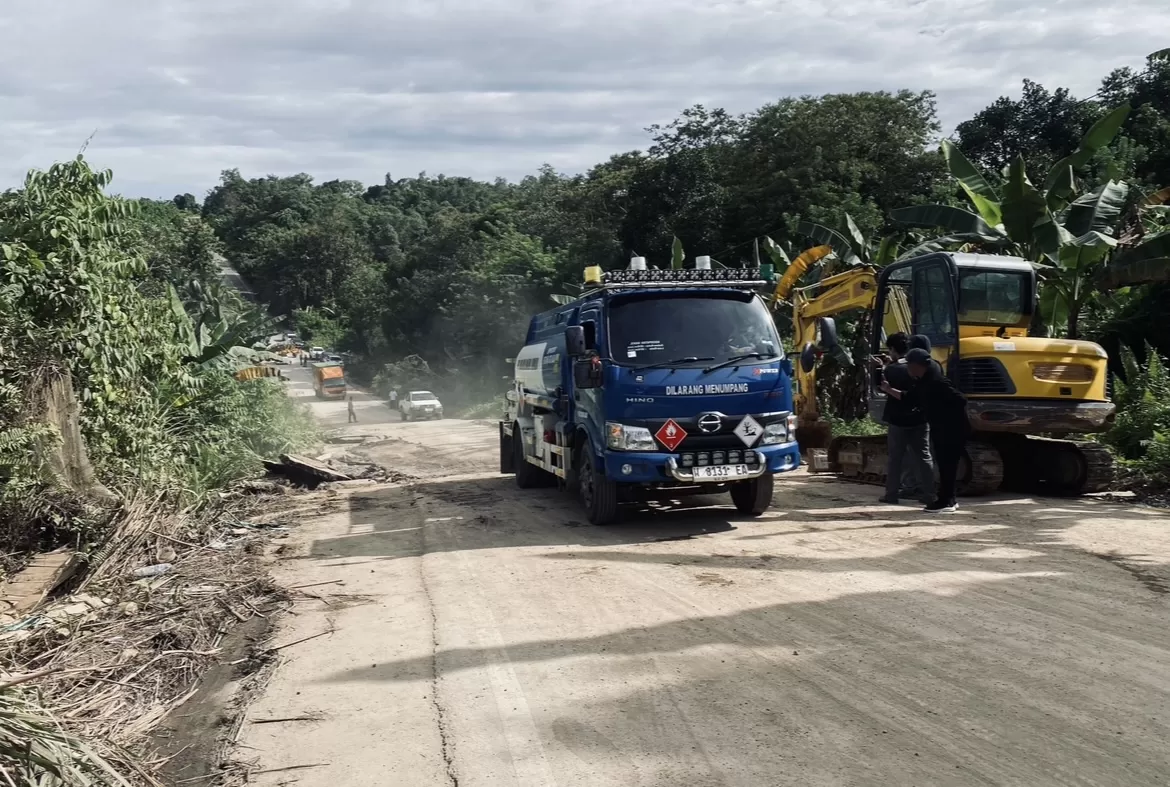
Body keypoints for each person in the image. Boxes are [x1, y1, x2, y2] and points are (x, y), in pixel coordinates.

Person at [882, 347, 970, 513]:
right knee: (944, 465)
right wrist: (888, 389)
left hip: (951, 429)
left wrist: (943, 415)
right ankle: (947, 499)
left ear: (917, 365)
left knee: (947, 465)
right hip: (941, 428)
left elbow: (960, 400)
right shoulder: (923, 382)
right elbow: (909, 398)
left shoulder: (936, 382)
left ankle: (947, 502)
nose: (907, 368)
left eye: (909, 365)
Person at [871, 333, 933, 505]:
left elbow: (881, 386)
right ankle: (929, 494)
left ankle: (891, 494)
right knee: (924, 456)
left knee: (895, 458)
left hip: (898, 420)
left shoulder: (891, 369)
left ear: (892, 349)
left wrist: (879, 368)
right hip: (920, 418)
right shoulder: (925, 367)